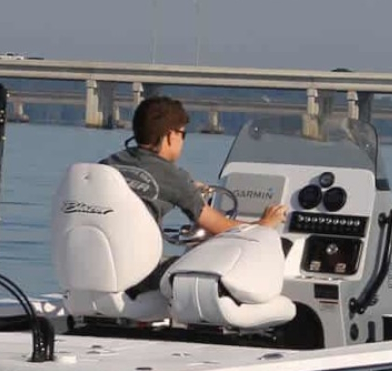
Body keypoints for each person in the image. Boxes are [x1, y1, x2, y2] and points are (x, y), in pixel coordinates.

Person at [102, 95, 287, 289]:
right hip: (136, 278)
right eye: (183, 135)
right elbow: (223, 228)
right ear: (171, 135)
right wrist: (264, 225)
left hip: (96, 270)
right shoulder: (174, 177)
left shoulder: (108, 164)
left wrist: (188, 188)